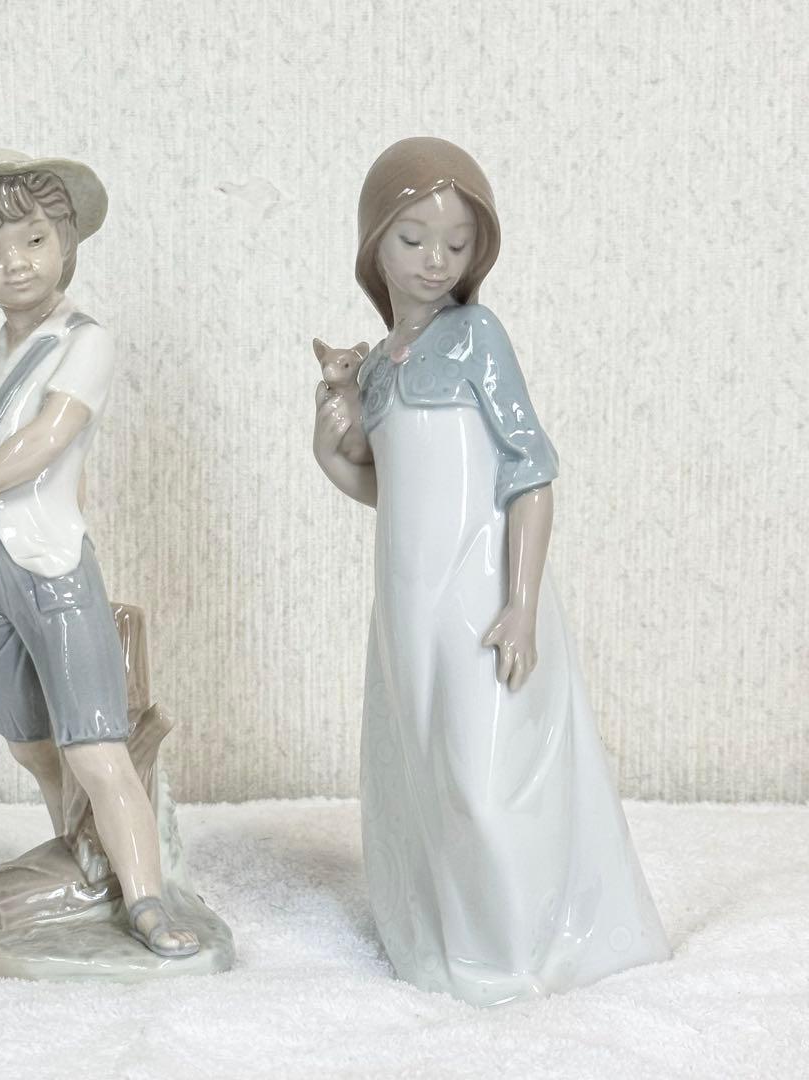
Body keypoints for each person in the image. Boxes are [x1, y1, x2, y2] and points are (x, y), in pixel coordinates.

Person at [312, 137, 670, 1004]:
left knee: (484, 777)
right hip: (408, 601)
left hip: (480, 588)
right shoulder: (381, 364)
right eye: (413, 239)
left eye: (458, 242)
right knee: (427, 768)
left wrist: (521, 603)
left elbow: (530, 472)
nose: (436, 260)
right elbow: (387, 489)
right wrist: (331, 438)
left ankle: (514, 954)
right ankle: (449, 939)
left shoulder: (476, 338)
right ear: (374, 247)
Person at [0, 148, 197, 958]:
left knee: (95, 747)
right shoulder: (5, 344)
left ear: (64, 239)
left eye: (32, 240)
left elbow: (52, 435)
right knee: (30, 743)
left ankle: (146, 900)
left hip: (51, 566)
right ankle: (86, 862)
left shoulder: (83, 340)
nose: (15, 263)